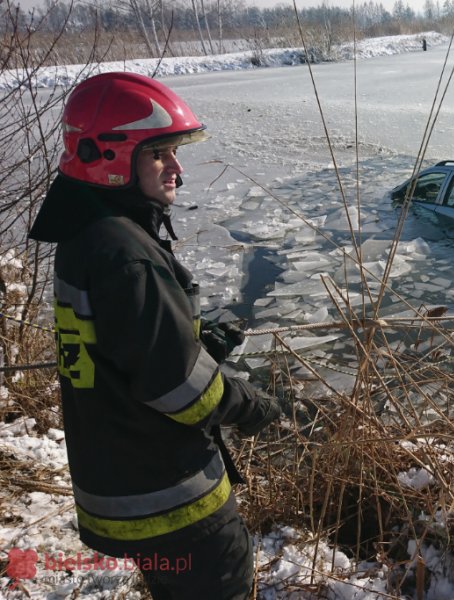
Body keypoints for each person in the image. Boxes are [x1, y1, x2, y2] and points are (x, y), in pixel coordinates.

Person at [28, 72, 281, 599]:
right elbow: (186, 394)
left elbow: (113, 349)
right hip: (175, 498)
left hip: (127, 485)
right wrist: (254, 405)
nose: (177, 168)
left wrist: (184, 338)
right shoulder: (126, 255)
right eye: (160, 153)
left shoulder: (85, 236)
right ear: (112, 158)